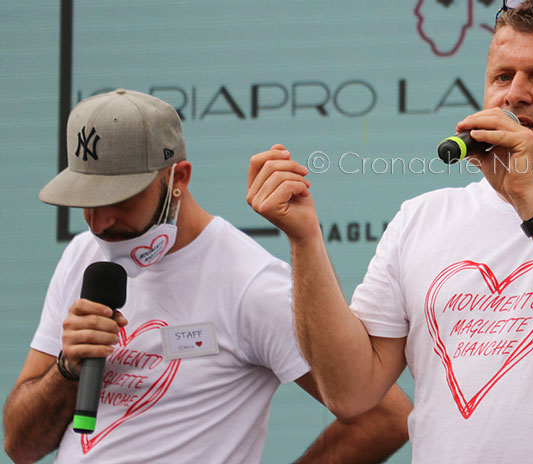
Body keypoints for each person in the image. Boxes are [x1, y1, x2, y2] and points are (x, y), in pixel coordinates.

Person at [247, 0, 533, 463]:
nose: (515, 93)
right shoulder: (422, 218)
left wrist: (529, 194)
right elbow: (350, 392)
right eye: (502, 76)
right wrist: (304, 238)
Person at [3, 89, 412, 464]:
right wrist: (67, 369)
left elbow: (385, 419)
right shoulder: (81, 255)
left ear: (178, 178)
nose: (99, 221)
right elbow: (20, 446)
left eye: (119, 198)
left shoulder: (251, 282)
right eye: (86, 201)